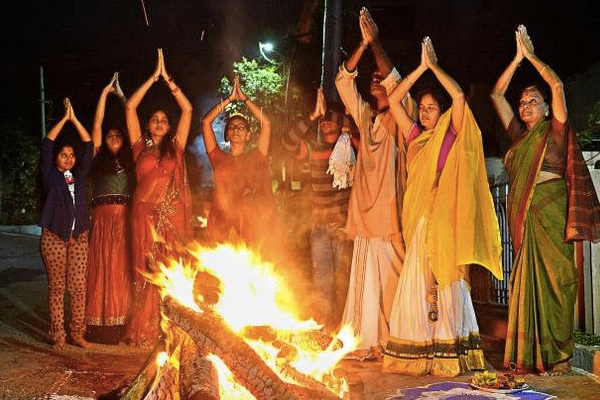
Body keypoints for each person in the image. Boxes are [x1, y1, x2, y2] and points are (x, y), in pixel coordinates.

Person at [381, 36, 503, 377]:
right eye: (421, 107)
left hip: (446, 220)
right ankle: (418, 353)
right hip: (419, 221)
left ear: (442, 111)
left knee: (448, 282)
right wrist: (419, 68)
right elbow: (393, 100)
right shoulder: (414, 135)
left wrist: (434, 66)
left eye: (431, 107)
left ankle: (449, 352)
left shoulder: (452, 134)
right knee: (419, 280)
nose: (424, 112)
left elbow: (460, 96)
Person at [490, 25, 600, 376]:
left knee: (558, 283)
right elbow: (495, 95)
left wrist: (532, 56)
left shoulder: (556, 131)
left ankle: (562, 358)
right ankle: (529, 357)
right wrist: (516, 58)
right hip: (527, 223)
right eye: (522, 103)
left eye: (532, 101)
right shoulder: (519, 140)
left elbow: (557, 86)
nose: (524, 106)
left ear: (547, 110)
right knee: (527, 290)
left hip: (551, 215)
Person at [335, 8, 411, 357]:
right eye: (373, 78)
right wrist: (362, 46)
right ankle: (368, 341)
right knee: (365, 283)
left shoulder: (401, 113)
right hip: (365, 214)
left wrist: (376, 41)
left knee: (394, 281)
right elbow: (342, 81)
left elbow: (395, 78)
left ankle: (396, 339)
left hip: (391, 214)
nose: (376, 81)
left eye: (380, 78)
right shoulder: (365, 115)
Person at [124, 49, 193, 348]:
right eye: (154, 119)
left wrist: (169, 81)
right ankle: (144, 327)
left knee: (170, 268)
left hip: (170, 218)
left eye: (165, 119)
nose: (160, 122)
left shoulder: (175, 148)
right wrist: (153, 78)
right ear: (148, 125)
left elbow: (188, 111)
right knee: (145, 268)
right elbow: (129, 107)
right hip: (143, 216)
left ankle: (170, 327)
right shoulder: (140, 148)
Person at [281, 87, 355, 332]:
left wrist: (342, 118)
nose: (325, 122)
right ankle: (325, 329)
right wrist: (313, 114)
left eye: (329, 117)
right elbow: (288, 141)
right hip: (320, 227)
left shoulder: (352, 146)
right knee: (323, 282)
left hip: (343, 226)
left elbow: (359, 131)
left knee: (343, 283)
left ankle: (344, 329)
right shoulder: (314, 148)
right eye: (323, 119)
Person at [201, 75, 282, 261]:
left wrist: (244, 98)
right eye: (232, 127)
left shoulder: (257, 157)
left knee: (250, 268)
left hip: (251, 224)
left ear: (248, 134)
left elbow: (267, 124)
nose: (236, 130)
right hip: (222, 222)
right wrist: (229, 99)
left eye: (242, 127)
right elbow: (205, 122)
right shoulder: (218, 158)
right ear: (227, 135)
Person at [40, 98, 93, 350]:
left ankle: (77, 333)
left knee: (78, 288)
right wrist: (63, 120)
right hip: (54, 237)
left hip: (80, 237)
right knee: (57, 289)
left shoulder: (79, 175)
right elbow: (48, 143)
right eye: (64, 155)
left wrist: (75, 119)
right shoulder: (50, 176)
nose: (69, 159)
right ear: (56, 159)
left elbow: (89, 144)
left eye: (71, 156)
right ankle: (58, 335)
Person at [85, 73, 134, 344]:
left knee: (119, 269)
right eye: (110, 135)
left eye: (118, 135)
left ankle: (120, 324)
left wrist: (123, 96)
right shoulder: (98, 159)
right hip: (102, 219)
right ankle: (97, 325)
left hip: (123, 218)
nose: (114, 137)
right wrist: (104, 95)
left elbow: (131, 120)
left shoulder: (131, 160)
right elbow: (97, 125)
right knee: (100, 268)